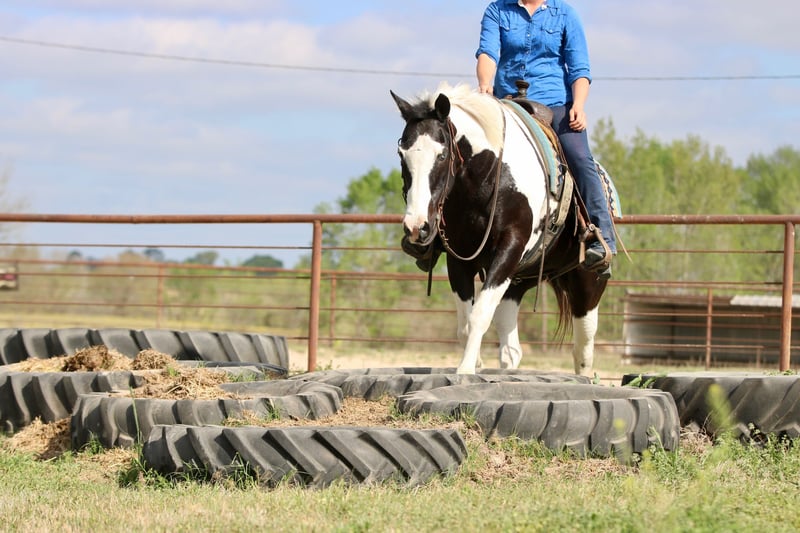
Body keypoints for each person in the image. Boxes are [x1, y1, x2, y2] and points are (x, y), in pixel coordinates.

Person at [476, 0, 616, 279]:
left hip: (555, 104)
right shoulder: (497, 10)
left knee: (579, 158)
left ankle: (602, 239)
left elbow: (579, 68)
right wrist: (484, 85)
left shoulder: (565, 15)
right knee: (470, 151)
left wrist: (578, 105)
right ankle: (439, 235)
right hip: (507, 103)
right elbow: (487, 54)